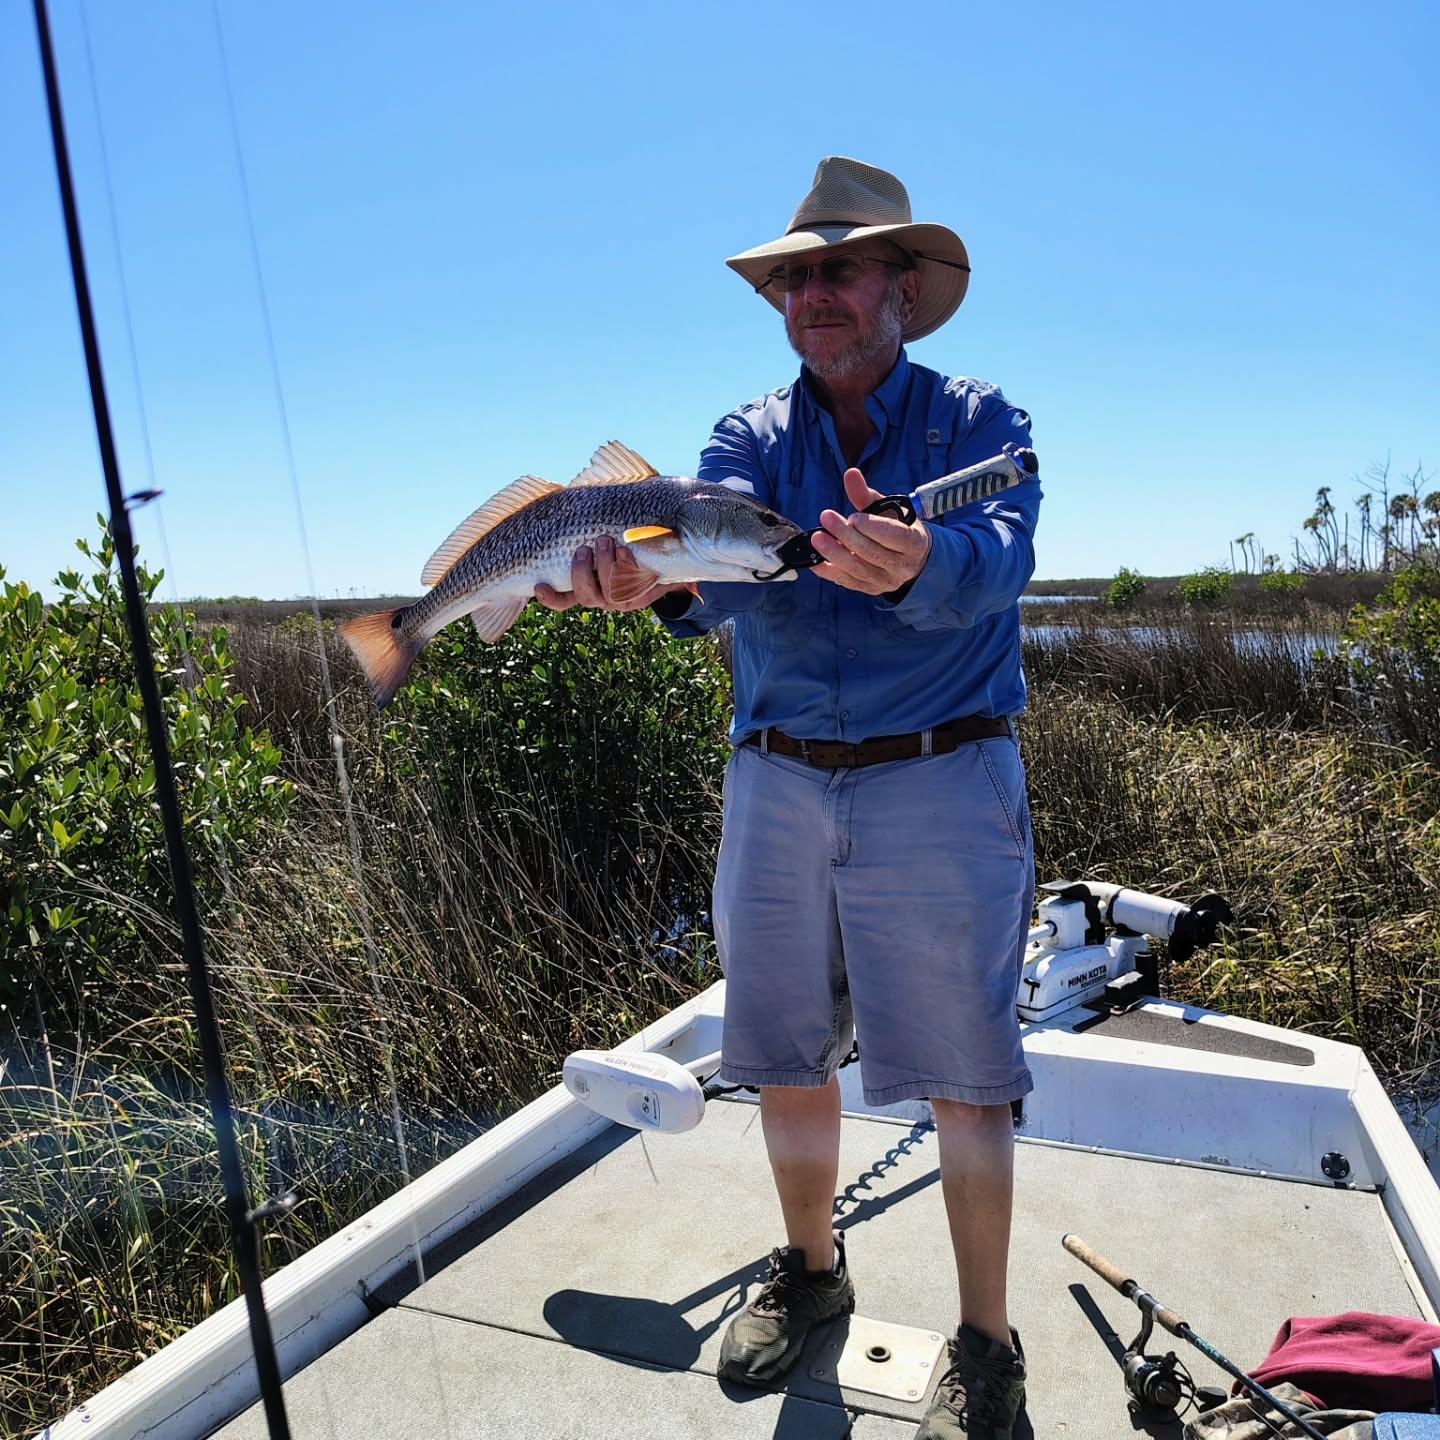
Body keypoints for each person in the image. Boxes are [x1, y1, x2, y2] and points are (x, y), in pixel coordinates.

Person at [535, 155, 1041, 1440]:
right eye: (795, 275)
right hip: (777, 780)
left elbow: (1000, 554)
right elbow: (708, 561)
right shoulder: (750, 438)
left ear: (904, 289)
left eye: (840, 269)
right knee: (784, 1053)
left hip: (945, 772)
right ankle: (814, 1274)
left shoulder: (981, 422)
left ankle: (987, 1346)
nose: (813, 291)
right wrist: (646, 585)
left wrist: (921, 559)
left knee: (972, 1078)